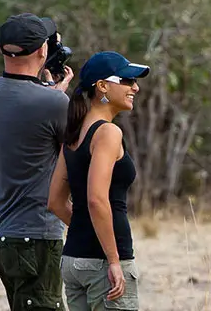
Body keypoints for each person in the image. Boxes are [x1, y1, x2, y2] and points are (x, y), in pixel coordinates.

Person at [0, 13, 74, 311]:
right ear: (43, 51)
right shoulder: (53, 103)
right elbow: (71, 149)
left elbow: (24, 117)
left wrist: (51, 95)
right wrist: (57, 96)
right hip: (37, 235)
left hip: (1, 235)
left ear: (1, 47)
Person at [47, 51, 149, 311]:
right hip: (102, 265)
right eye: (127, 81)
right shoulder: (108, 132)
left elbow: (55, 203)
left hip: (73, 261)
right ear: (102, 86)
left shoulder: (73, 135)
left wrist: (87, 229)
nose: (135, 87)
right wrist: (113, 259)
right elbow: (96, 199)